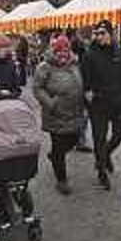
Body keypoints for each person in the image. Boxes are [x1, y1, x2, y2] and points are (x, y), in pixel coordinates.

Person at [33, 35, 84, 195]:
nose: (63, 54)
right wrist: (51, 103)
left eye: (66, 50)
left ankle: (54, 156)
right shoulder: (44, 67)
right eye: (59, 51)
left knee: (74, 139)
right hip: (56, 113)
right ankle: (61, 180)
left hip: (74, 112)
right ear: (53, 51)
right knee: (59, 146)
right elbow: (37, 88)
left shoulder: (74, 64)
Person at [81, 20, 121, 190]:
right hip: (99, 104)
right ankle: (101, 170)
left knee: (119, 135)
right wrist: (88, 96)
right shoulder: (89, 54)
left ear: (110, 34)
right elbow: (85, 81)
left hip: (118, 103)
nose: (99, 37)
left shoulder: (120, 53)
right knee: (99, 138)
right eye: (97, 33)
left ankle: (105, 154)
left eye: (102, 33)